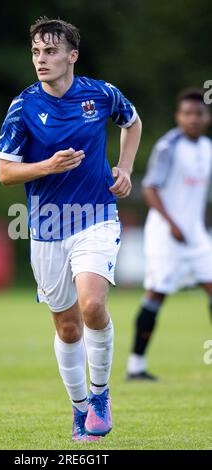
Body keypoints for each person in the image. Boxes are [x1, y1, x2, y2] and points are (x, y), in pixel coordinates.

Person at [0, 17, 141, 441]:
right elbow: (6, 173)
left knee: (93, 306)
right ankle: (79, 410)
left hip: (96, 215)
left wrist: (126, 168)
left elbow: (131, 122)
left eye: (51, 52)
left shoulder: (101, 94)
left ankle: (100, 395)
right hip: (45, 227)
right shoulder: (23, 107)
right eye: (36, 52)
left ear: (71, 56)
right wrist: (47, 165)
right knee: (68, 326)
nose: (42, 60)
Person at [126, 88, 212, 381]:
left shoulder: (207, 148)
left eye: (198, 114)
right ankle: (136, 366)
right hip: (166, 235)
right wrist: (172, 223)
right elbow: (149, 189)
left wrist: (198, 225)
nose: (193, 119)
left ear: (207, 117)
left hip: (197, 236)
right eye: (187, 114)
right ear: (178, 116)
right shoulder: (168, 147)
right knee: (157, 293)